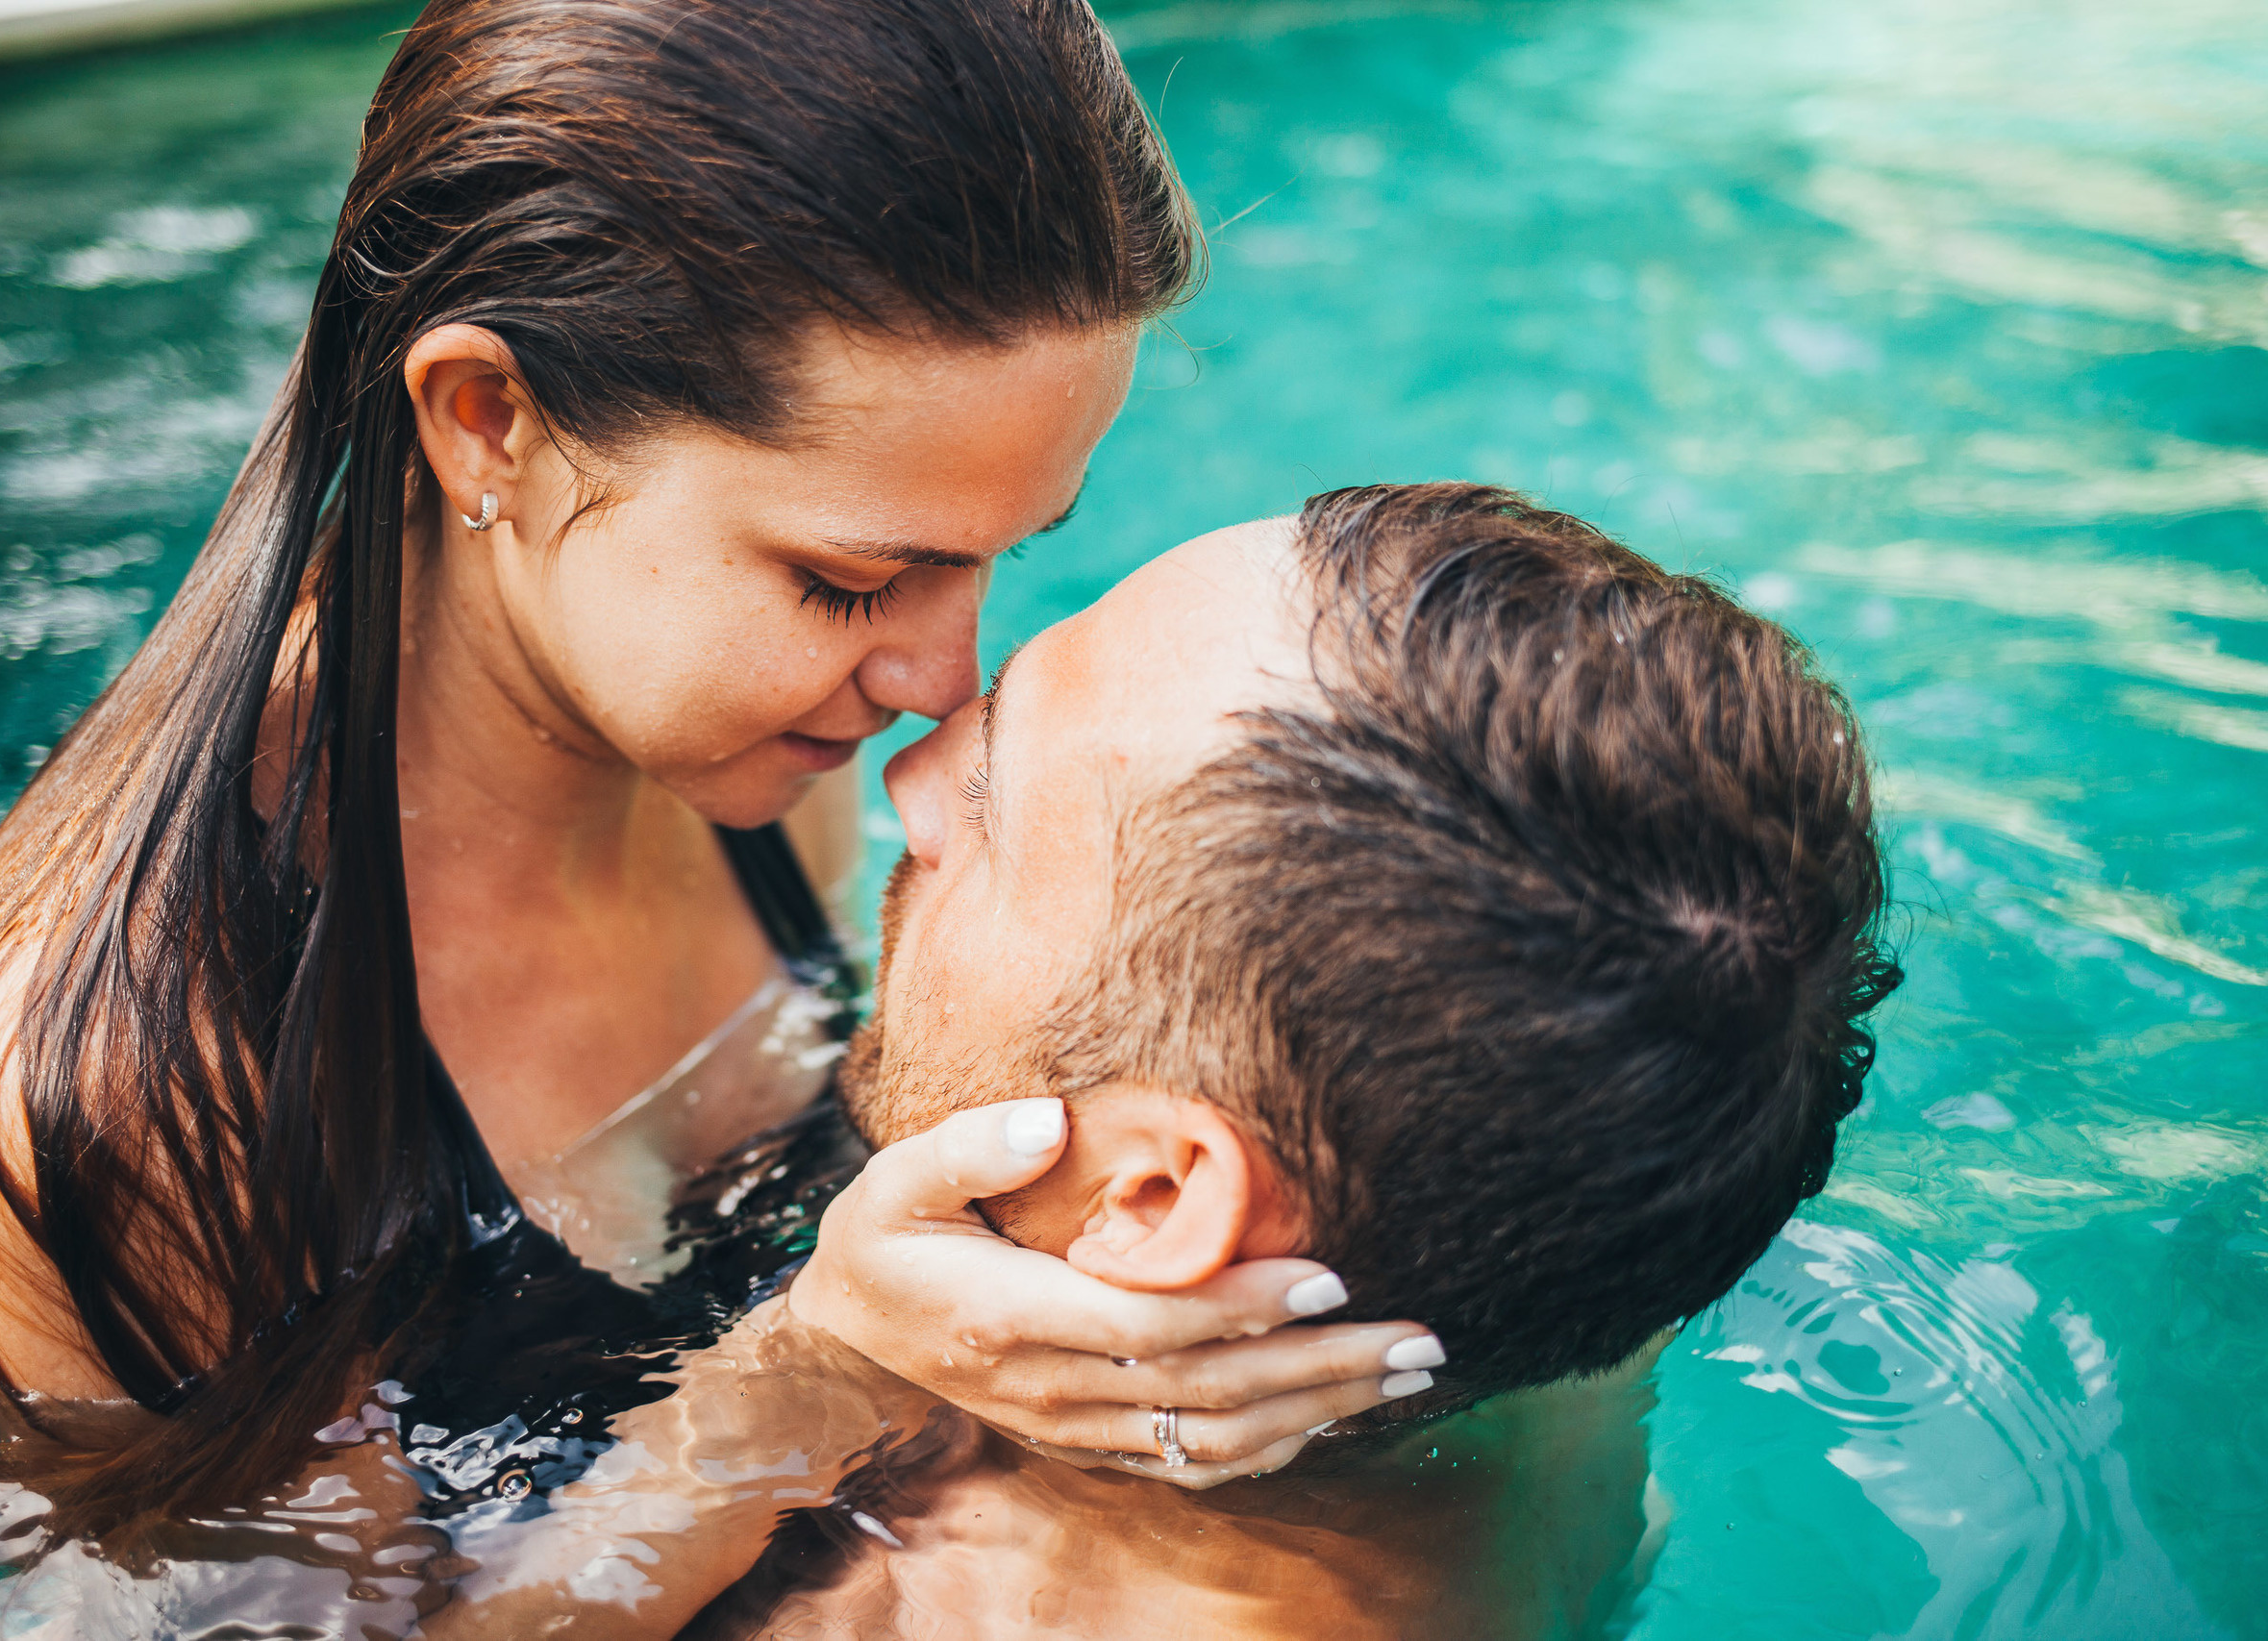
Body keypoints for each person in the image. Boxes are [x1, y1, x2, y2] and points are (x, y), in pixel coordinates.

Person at [0, 0, 1421, 1549]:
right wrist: (820, 1371)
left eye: (996, 558)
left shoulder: (759, 731)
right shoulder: (135, 1071)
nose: (940, 695)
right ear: (490, 424)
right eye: (848, 579)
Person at [424, 482, 1901, 1635]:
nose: (910, 774)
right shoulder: (1549, 1199)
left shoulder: (950, 1610)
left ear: (1146, 1201)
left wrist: (809, 1371)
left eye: (994, 806)